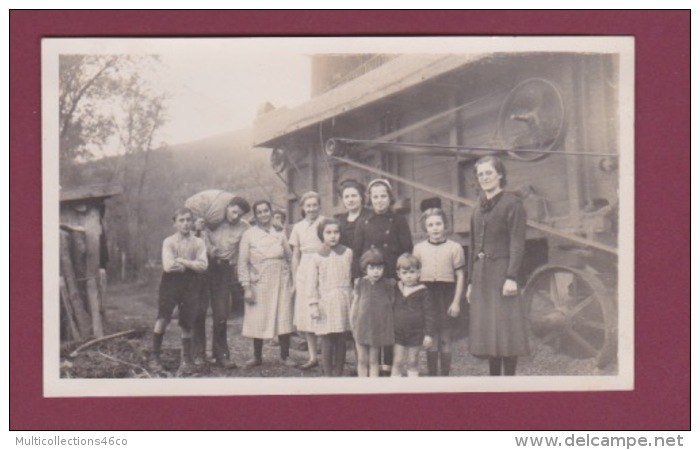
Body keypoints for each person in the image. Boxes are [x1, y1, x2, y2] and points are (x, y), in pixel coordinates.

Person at [467, 156, 529, 376]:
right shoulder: (477, 208)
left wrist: (511, 276)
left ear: (500, 175)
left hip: (502, 273)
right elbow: (473, 247)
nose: (484, 178)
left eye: (489, 173)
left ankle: (509, 381)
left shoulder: (512, 203)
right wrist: (470, 282)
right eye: (480, 174)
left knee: (506, 328)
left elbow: (517, 242)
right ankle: (494, 381)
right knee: (489, 330)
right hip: (481, 275)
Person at [353, 178, 413, 375]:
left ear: (390, 198)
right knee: (371, 322)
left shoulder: (398, 220)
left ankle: (388, 367)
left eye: (383, 196)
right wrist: (357, 277)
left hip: (391, 279)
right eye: (375, 196)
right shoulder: (363, 221)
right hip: (370, 280)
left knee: (390, 323)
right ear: (369, 199)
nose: (379, 200)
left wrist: (401, 278)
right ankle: (371, 368)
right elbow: (357, 252)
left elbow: (407, 250)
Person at [238, 200, 297, 368]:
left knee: (283, 315)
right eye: (260, 212)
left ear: (270, 212)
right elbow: (242, 262)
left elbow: (290, 256)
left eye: (266, 211)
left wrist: (292, 279)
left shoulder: (279, 232)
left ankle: (285, 356)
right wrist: (246, 286)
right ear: (255, 215)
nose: (264, 214)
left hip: (281, 279)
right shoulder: (249, 234)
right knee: (259, 317)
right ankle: (257, 357)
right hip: (259, 281)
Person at [149, 207, 208, 376]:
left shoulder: (199, 242)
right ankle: (154, 356)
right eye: (181, 220)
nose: (186, 224)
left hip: (191, 283)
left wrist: (182, 261)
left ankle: (187, 360)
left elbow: (203, 265)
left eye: (189, 220)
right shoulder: (169, 241)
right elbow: (168, 266)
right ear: (175, 223)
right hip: (170, 282)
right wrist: (191, 264)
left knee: (187, 320)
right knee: (163, 317)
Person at [195, 196, 250, 369]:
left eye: (239, 215)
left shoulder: (244, 227)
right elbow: (193, 240)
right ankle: (198, 355)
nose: (235, 217)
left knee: (221, 314)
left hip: (224, 270)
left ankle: (221, 356)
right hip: (203, 268)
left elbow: (254, 240)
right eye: (234, 212)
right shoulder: (211, 221)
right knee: (199, 311)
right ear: (227, 207)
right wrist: (197, 229)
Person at [413, 208, 466, 376]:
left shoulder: (455, 247)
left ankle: (444, 377)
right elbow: (415, 277)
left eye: (438, 224)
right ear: (425, 227)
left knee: (445, 338)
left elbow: (460, 275)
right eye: (430, 225)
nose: (435, 228)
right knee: (431, 338)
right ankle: (432, 377)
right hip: (427, 295)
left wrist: (456, 301)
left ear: (445, 225)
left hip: (447, 295)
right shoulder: (419, 249)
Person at [307, 218, 353, 376]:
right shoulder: (317, 257)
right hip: (325, 301)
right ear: (322, 235)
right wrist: (313, 304)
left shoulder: (347, 253)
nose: (332, 236)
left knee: (341, 338)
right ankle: (327, 374)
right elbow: (311, 283)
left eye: (336, 232)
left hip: (344, 299)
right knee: (327, 338)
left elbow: (352, 277)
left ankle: (338, 373)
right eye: (328, 232)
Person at [289, 191, 325, 369]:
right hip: (304, 267)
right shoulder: (298, 227)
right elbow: (295, 255)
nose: (311, 209)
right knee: (306, 313)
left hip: (323, 266)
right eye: (308, 206)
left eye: (314, 205)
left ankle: (326, 356)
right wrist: (295, 280)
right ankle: (312, 357)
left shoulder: (325, 223)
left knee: (323, 310)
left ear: (319, 206)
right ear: (303, 208)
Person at [350, 249, 395, 377]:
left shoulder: (387, 285)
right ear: (365, 268)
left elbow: (391, 304)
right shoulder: (360, 283)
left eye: (379, 268)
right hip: (361, 327)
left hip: (377, 329)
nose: (376, 271)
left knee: (374, 361)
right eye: (372, 268)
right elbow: (355, 304)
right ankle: (363, 388)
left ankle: (373, 388)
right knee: (362, 360)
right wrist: (352, 323)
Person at [391, 253, 436, 377]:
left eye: (412, 272)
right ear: (399, 274)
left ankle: (413, 390)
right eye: (404, 273)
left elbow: (429, 314)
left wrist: (428, 334)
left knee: (412, 361)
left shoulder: (423, 291)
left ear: (418, 273)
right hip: (398, 331)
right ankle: (393, 390)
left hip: (415, 333)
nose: (409, 276)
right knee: (397, 361)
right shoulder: (396, 288)